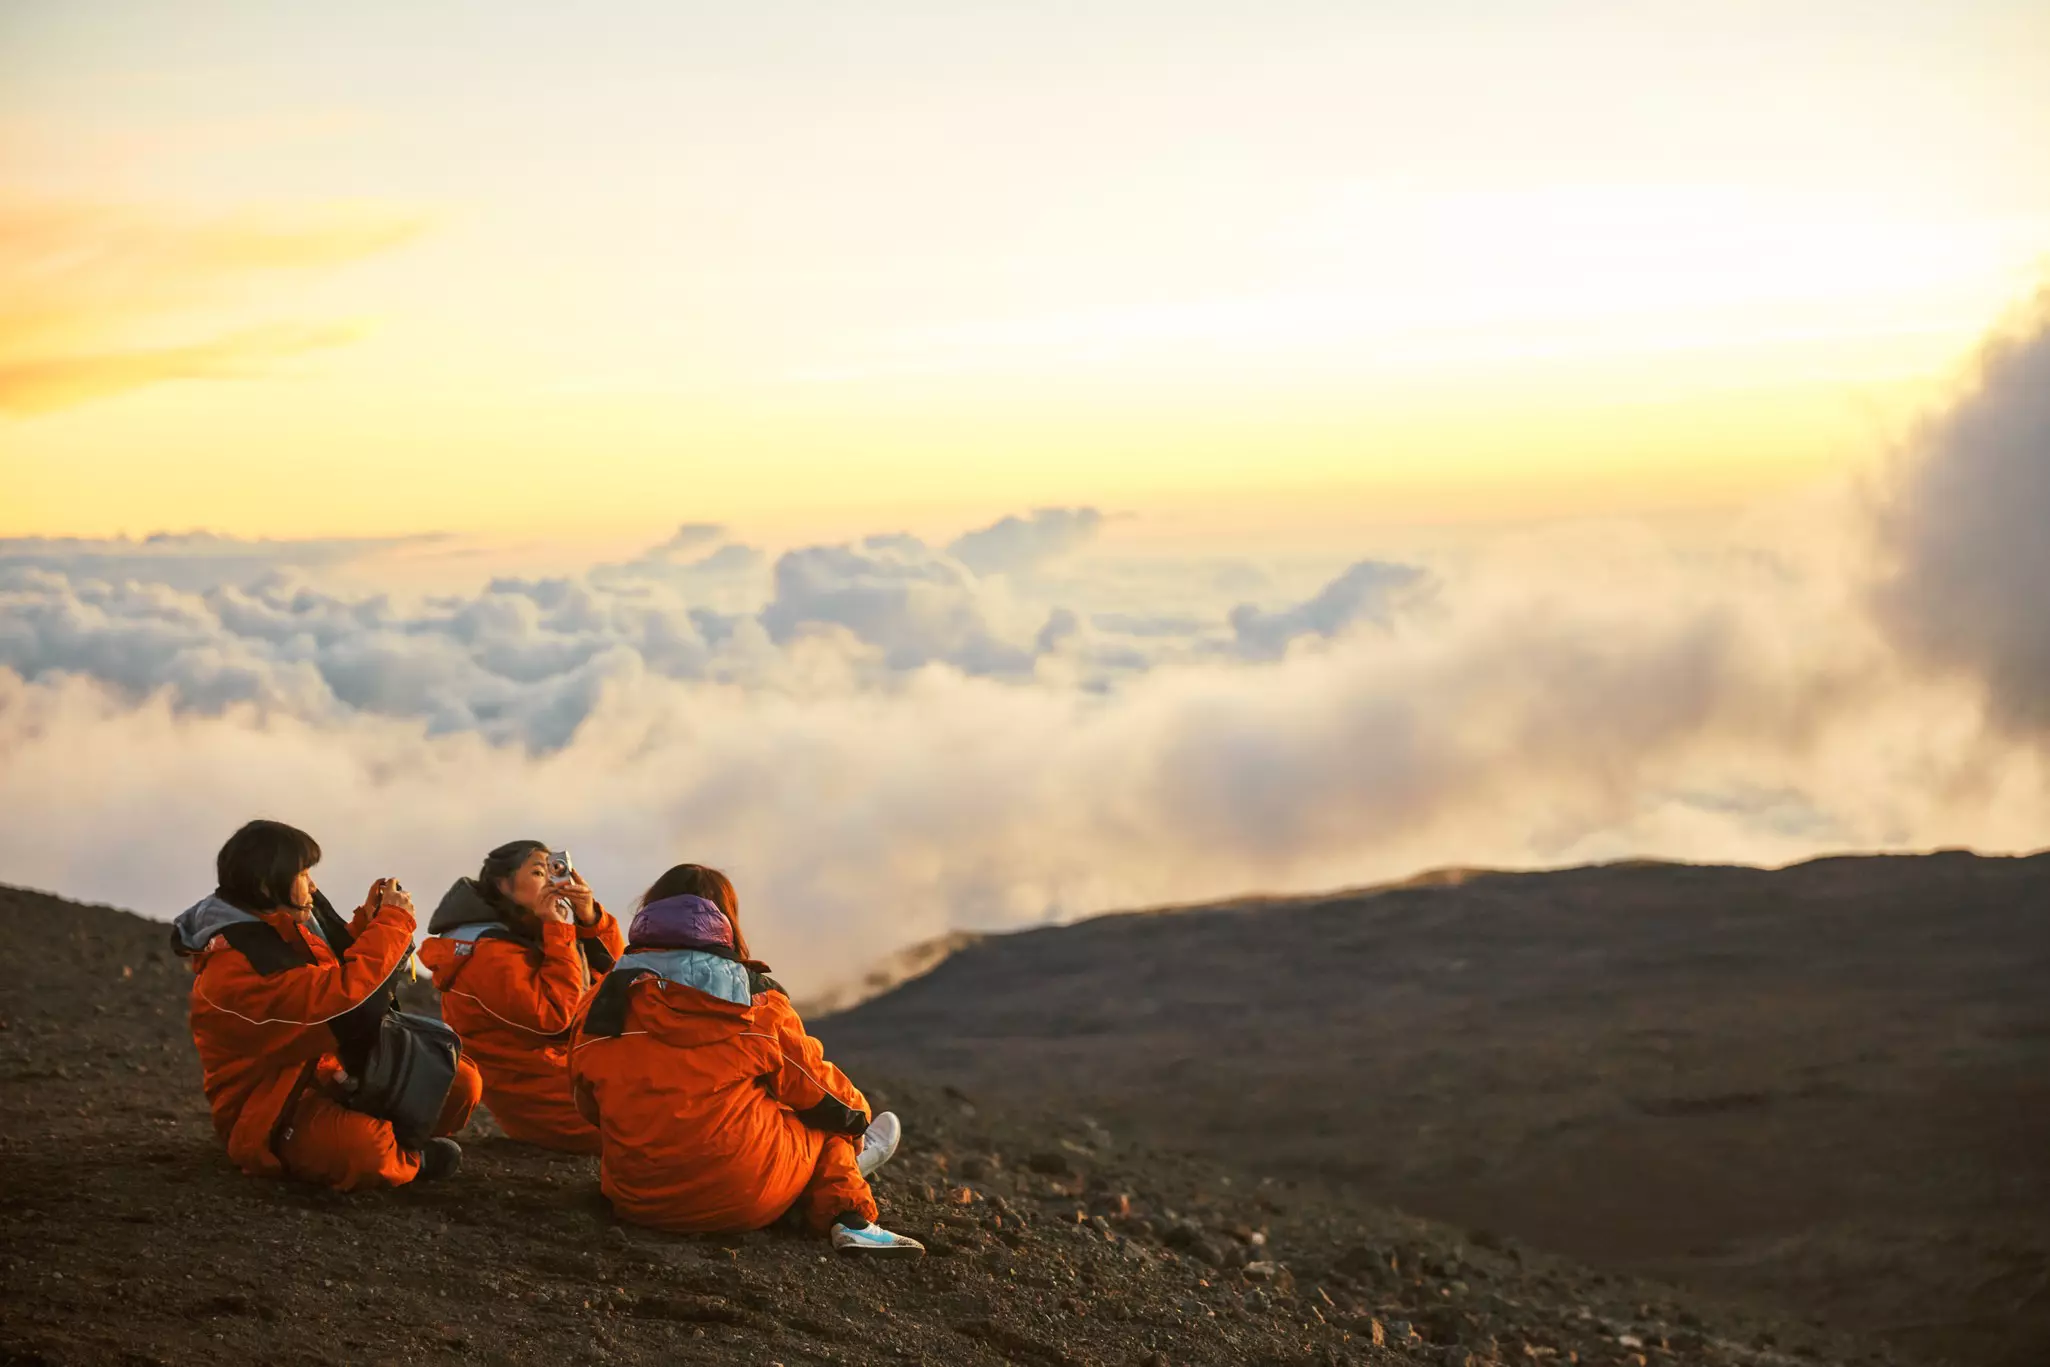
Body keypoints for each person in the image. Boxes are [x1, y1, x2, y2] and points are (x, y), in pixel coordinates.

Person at [568, 864, 922, 1254]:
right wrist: (856, 1125)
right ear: (725, 922)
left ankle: (826, 1181)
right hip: (742, 1200)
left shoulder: (600, 1002)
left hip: (637, 1199)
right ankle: (850, 1217)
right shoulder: (755, 1000)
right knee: (825, 1119)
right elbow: (823, 1093)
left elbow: (588, 1105)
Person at [172, 819, 481, 1189]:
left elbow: (331, 969)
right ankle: (413, 1159)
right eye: (303, 874)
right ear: (265, 885)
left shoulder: (278, 923)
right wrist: (393, 924)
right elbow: (343, 1006)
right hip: (272, 1105)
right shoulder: (238, 969)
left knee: (459, 1082)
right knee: (366, 1150)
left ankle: (392, 1138)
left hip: (329, 1069)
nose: (313, 885)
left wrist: (369, 923)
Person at [417, 841, 624, 1153]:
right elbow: (556, 1019)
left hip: (574, 1080)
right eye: (539, 872)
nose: (551, 882)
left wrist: (589, 920)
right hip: (551, 1104)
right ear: (503, 884)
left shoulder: (523, 936)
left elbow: (613, 985)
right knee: (662, 1120)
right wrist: (558, 930)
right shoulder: (487, 955)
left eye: (554, 871)